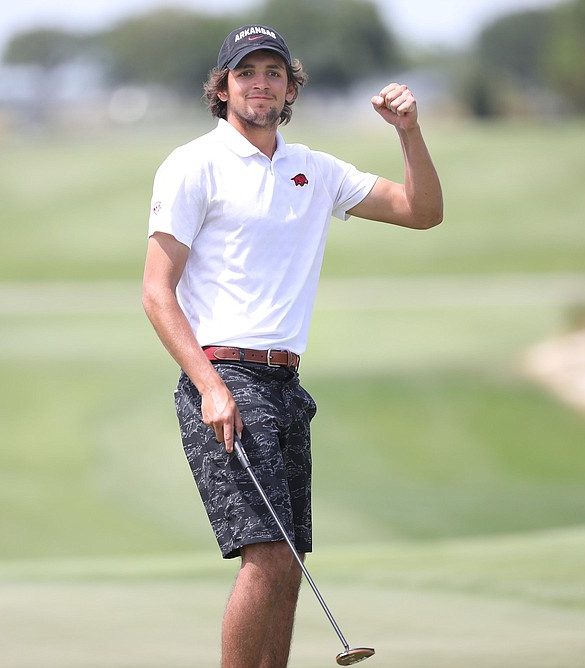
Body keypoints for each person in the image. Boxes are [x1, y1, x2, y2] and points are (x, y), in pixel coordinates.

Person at [142, 23, 442, 668]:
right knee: (268, 557)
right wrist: (211, 387)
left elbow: (421, 211)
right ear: (222, 88)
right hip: (224, 376)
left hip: (285, 384)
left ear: (290, 86)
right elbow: (156, 292)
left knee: (289, 561)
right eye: (245, 73)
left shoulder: (316, 170)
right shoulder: (194, 164)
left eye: (272, 72)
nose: (259, 83)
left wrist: (408, 133)